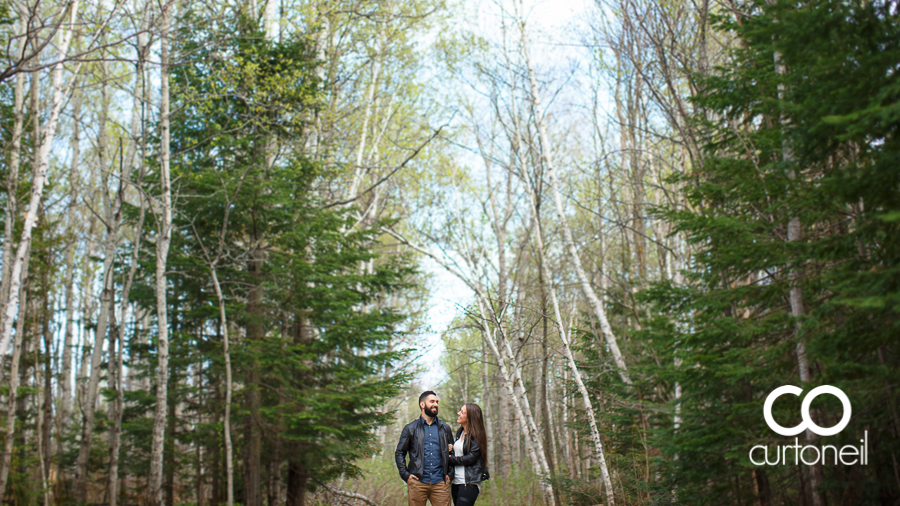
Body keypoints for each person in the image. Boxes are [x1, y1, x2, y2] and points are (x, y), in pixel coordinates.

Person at [395, 390, 454, 506]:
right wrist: (405, 475)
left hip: (441, 483)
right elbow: (399, 452)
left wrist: (450, 474)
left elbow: (453, 453)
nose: (435, 404)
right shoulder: (410, 428)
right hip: (417, 482)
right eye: (432, 401)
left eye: (437, 402)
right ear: (422, 405)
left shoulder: (445, 428)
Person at [447, 403, 487, 506]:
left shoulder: (477, 435)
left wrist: (450, 458)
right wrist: (450, 450)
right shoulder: (460, 433)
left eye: (462, 412)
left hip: (469, 483)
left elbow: (470, 458)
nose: (458, 413)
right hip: (456, 482)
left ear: (470, 417)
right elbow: (459, 453)